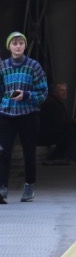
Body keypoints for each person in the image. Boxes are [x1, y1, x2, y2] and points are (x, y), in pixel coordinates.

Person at [0, 32, 48, 202]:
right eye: (14, 43)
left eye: (21, 43)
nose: (18, 46)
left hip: (29, 114)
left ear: (25, 46)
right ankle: (2, 188)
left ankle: (29, 186)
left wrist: (26, 95)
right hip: (6, 114)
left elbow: (44, 91)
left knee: (29, 152)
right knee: (3, 152)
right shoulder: (3, 66)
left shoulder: (33, 66)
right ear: (9, 46)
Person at [39, 82, 76, 165]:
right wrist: (75, 121)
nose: (64, 92)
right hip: (45, 135)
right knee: (70, 131)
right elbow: (59, 124)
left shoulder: (57, 103)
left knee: (74, 129)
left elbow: (63, 122)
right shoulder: (52, 104)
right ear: (55, 92)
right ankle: (59, 156)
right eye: (61, 90)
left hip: (50, 132)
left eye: (65, 90)